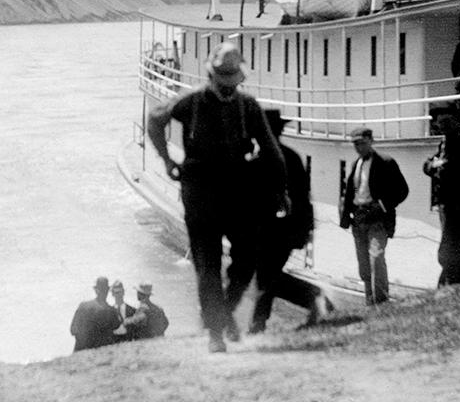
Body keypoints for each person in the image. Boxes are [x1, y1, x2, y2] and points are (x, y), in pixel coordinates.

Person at [145, 42, 286, 353]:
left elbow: (272, 151)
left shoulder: (248, 106)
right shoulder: (189, 101)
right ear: (212, 77)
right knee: (207, 265)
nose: (227, 89)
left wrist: (279, 191)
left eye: (231, 83)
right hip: (199, 191)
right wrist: (167, 160)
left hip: (238, 190)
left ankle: (220, 315)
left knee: (246, 259)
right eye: (222, 82)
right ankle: (216, 335)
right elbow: (155, 119)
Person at [241, 108, 331, 333]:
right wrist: (305, 230)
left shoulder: (261, 161)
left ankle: (312, 298)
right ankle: (262, 321)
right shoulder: (290, 156)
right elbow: (304, 198)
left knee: (267, 275)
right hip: (284, 229)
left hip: (274, 230)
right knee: (267, 275)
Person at [339, 127, 408, 305]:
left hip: (377, 219)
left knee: (376, 258)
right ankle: (370, 303)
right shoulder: (356, 164)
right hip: (359, 218)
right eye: (355, 144)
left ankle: (382, 301)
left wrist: (382, 205)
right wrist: (346, 217)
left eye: (362, 143)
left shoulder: (386, 162)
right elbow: (349, 193)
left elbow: (402, 190)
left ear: (371, 140)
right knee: (364, 265)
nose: (358, 147)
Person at [423, 102, 460, 285]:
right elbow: (427, 165)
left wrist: (437, 166)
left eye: (446, 121)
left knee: (448, 248)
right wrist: (435, 165)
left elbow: (453, 173)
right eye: (440, 122)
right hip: (447, 204)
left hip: (457, 203)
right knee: (455, 245)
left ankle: (453, 282)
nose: (442, 125)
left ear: (456, 122)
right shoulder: (444, 143)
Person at [69, 276, 121, 351]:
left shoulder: (83, 306)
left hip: (81, 353)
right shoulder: (112, 311)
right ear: (108, 290)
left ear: (96, 290)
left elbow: (73, 330)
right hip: (101, 354)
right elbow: (117, 328)